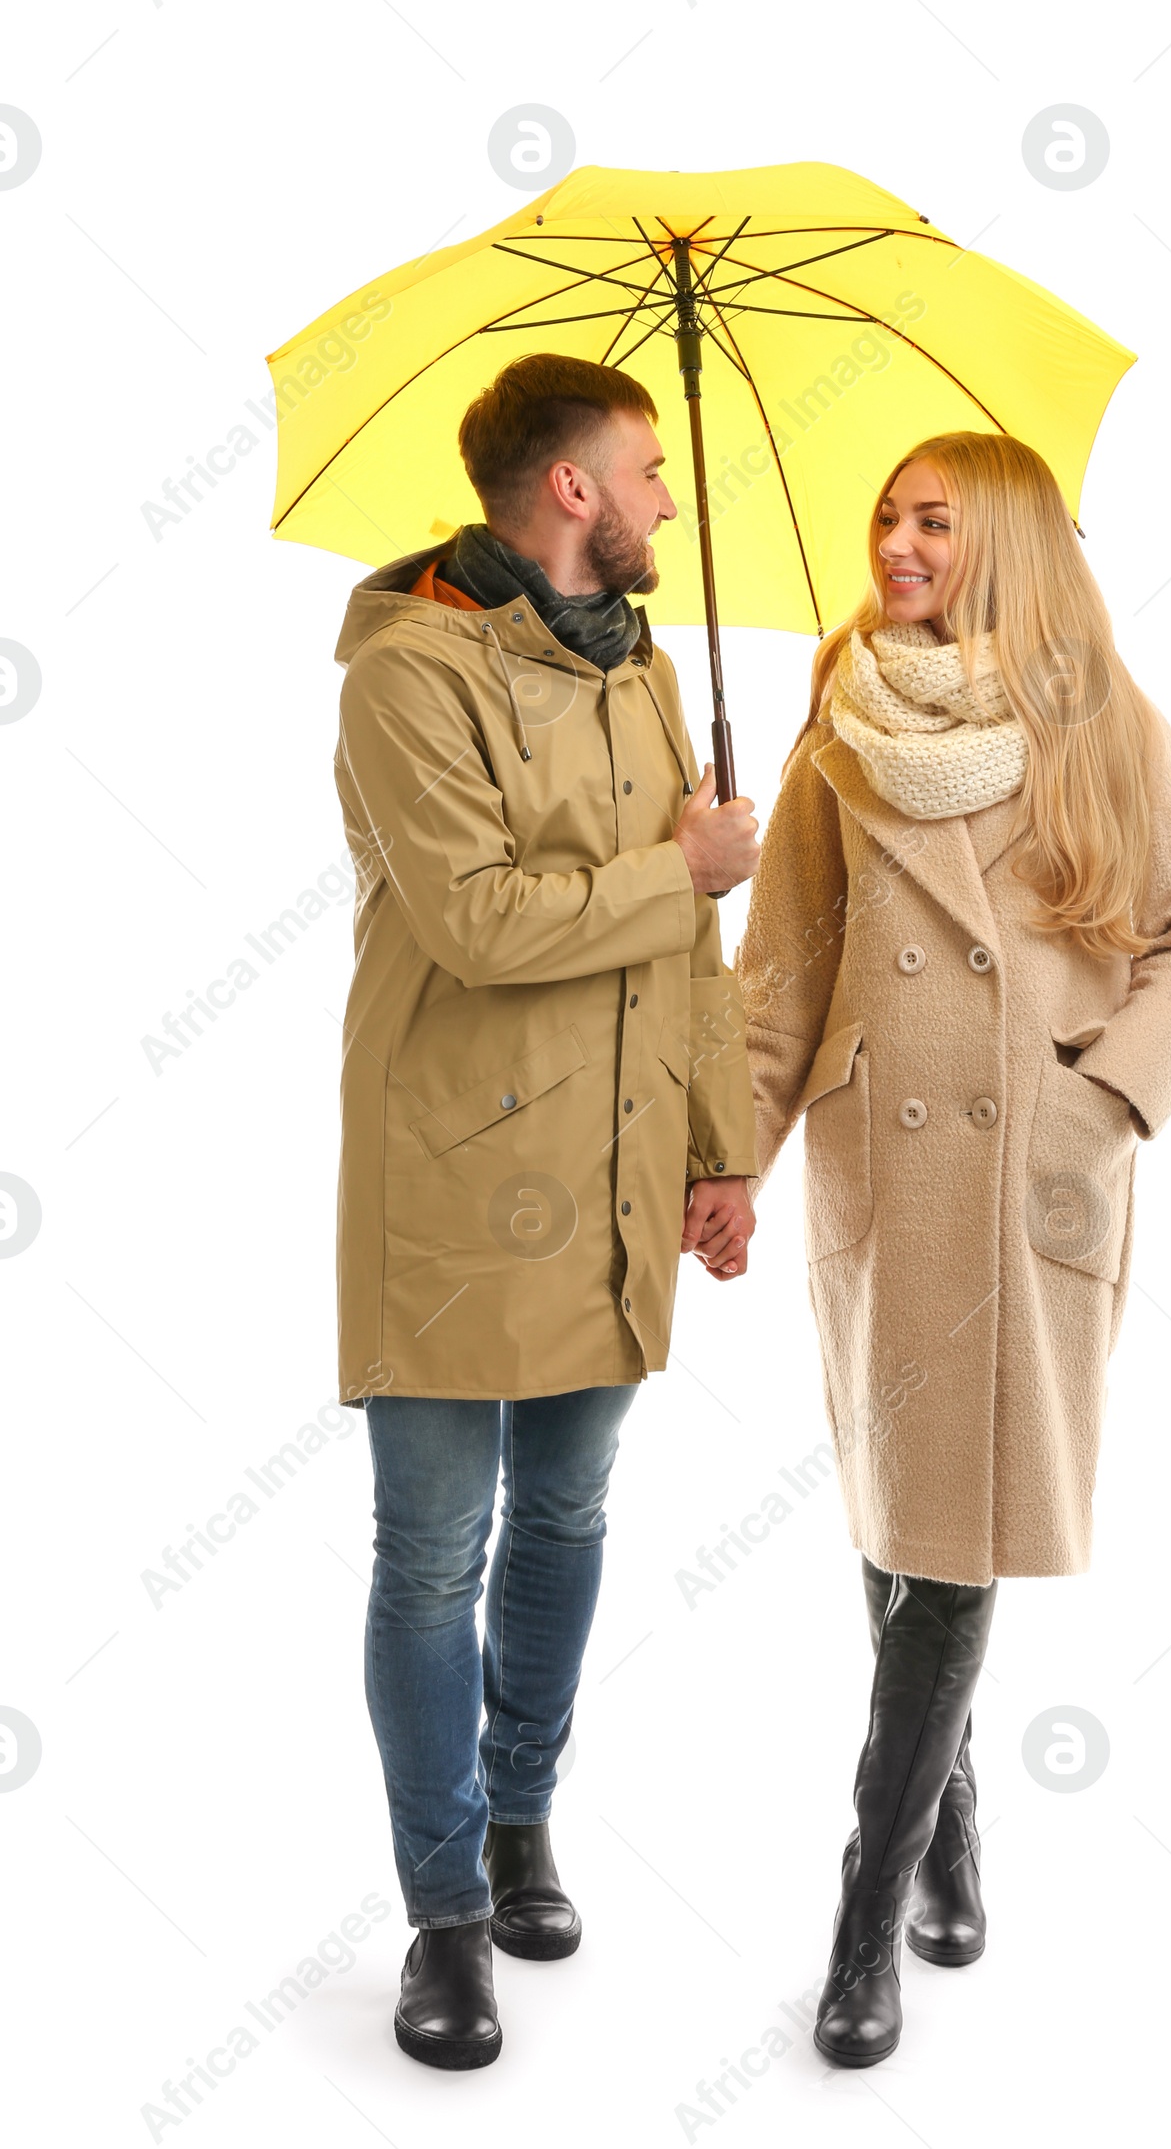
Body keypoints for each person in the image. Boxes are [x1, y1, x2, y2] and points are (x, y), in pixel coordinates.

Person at [734, 431, 1171, 2067]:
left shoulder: (1103, 727)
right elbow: (779, 991)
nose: (893, 542)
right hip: (881, 1177)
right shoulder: (835, 743)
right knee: (898, 1522)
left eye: (932, 520)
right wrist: (724, 1162)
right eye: (884, 515)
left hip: (1034, 1183)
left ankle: (862, 1920)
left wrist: (1106, 1101)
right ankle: (948, 1823)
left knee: (950, 1541)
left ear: (1004, 539)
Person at [332, 353, 760, 2069]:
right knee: (435, 1554)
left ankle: (521, 1824)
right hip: (451, 1170)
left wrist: (719, 1144)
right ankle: (443, 1910)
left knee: (567, 1523)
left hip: (611, 1167)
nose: (668, 499)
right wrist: (689, 865)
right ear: (568, 490)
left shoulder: (647, 663)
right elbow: (482, 923)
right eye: (646, 470)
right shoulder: (405, 675)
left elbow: (691, 941)